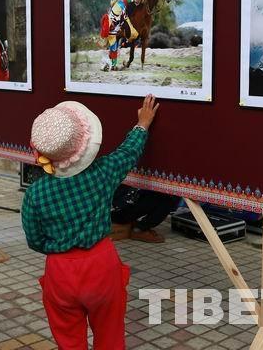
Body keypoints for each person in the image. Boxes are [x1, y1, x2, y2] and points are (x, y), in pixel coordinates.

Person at [22, 95, 159, 349]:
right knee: (110, 336)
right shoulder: (102, 174)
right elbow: (128, 153)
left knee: (69, 341)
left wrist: (58, 247)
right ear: (84, 145)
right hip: (101, 266)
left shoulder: (35, 193)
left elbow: (35, 239)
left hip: (59, 272)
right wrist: (143, 123)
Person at [111, 184, 180, 243]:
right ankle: (140, 228)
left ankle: (140, 226)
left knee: (158, 193)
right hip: (119, 213)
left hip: (111, 211)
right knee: (168, 199)